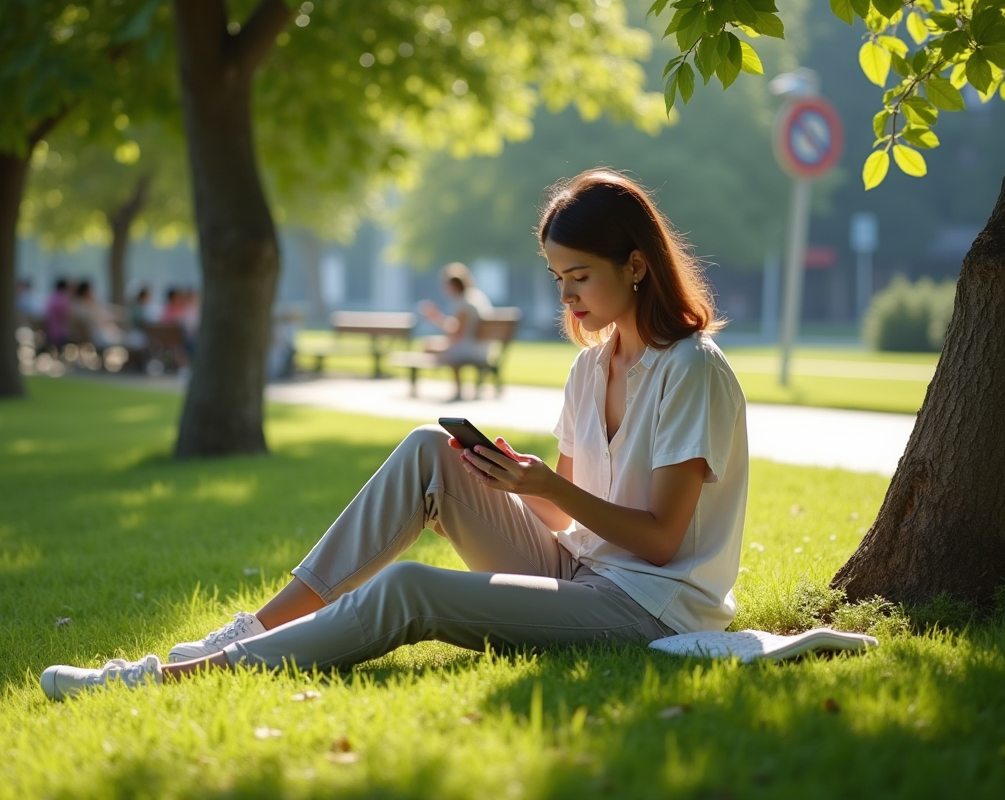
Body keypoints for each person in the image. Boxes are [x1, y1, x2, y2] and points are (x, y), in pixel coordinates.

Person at [40, 169, 749, 701]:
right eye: (558, 277)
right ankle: (254, 630)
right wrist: (507, 481)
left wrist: (547, 483)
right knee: (426, 449)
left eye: (579, 277)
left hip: (646, 606)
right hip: (576, 571)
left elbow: (659, 540)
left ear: (635, 265)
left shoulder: (690, 370)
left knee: (410, 588)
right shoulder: (590, 369)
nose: (565, 297)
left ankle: (166, 677)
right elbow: (563, 519)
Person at [418, 262, 494, 400]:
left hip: (470, 349)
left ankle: (455, 388)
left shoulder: (464, 303)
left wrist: (436, 317)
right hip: (482, 347)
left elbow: (456, 333)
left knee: (428, 346)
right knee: (431, 345)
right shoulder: (476, 297)